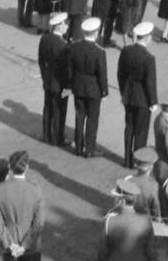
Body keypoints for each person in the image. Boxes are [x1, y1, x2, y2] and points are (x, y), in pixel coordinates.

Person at [67, 17, 109, 159]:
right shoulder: (99, 52)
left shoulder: (75, 46)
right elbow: (102, 74)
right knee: (92, 120)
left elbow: (70, 69)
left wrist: (71, 84)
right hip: (94, 90)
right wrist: (105, 91)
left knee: (79, 117)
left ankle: (78, 147)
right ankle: (89, 149)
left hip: (78, 87)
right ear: (96, 33)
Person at [117, 22, 158, 164]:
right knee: (141, 131)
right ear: (147, 38)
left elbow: (120, 74)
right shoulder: (148, 58)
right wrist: (153, 101)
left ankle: (127, 159)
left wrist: (123, 92)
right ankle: (138, 160)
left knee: (129, 127)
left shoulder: (126, 51)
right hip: (143, 99)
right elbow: (150, 82)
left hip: (128, 95)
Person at [38, 12, 71, 147]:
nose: (67, 26)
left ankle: (46, 135)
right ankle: (58, 137)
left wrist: (44, 76)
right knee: (60, 111)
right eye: (65, 24)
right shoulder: (63, 45)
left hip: (48, 81)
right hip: (61, 84)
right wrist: (68, 86)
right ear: (59, 26)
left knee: (48, 109)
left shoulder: (44, 39)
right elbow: (67, 69)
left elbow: (40, 60)